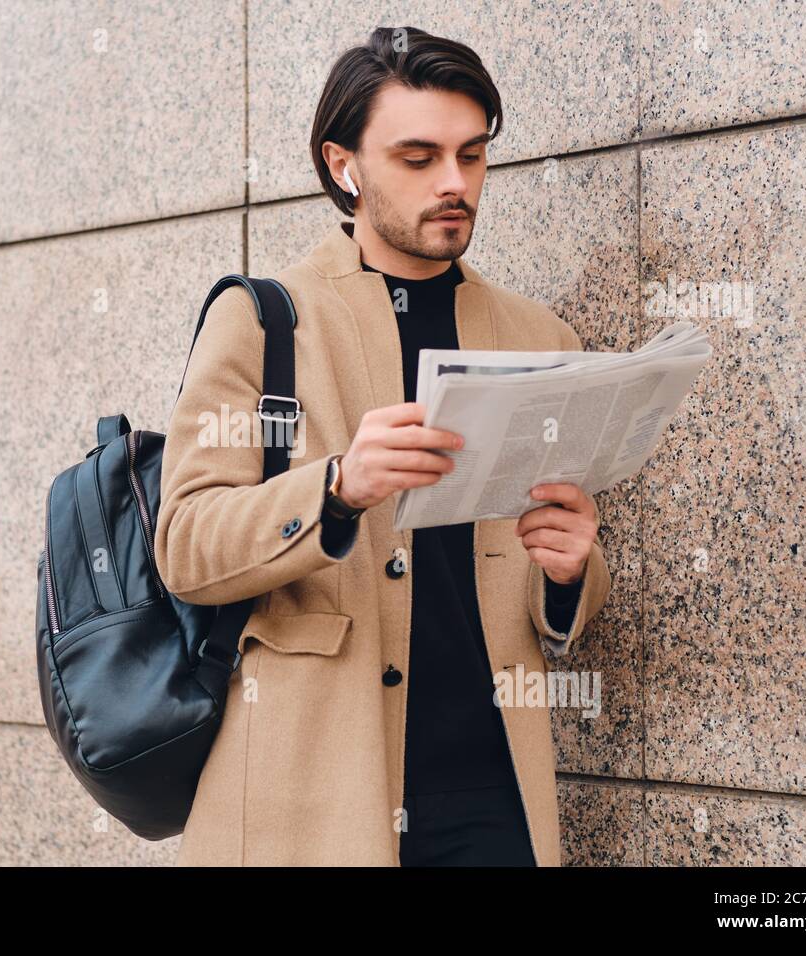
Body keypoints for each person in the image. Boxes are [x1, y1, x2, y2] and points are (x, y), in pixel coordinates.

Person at [154, 25, 611, 867]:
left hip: (494, 792)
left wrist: (575, 567)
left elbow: (564, 577)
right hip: (318, 795)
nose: (454, 183)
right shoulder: (264, 319)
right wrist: (333, 489)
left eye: (472, 156)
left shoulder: (539, 336)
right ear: (344, 165)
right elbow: (185, 544)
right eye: (418, 156)